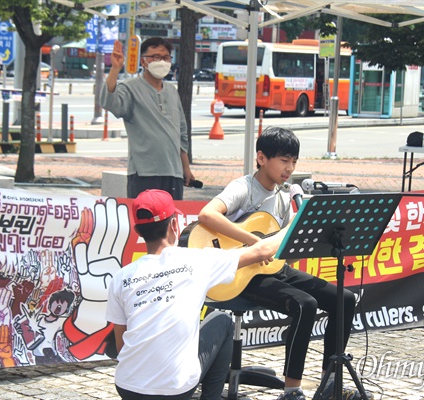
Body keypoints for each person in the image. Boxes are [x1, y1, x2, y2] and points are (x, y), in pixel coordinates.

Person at [198, 127, 370, 400]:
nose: (289, 168)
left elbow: (281, 256)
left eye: (294, 162)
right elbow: (207, 215)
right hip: (239, 274)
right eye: (283, 160)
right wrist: (253, 243)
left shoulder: (284, 196)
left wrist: (307, 241)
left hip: (271, 269)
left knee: (344, 299)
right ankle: (292, 390)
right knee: (305, 304)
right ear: (262, 158)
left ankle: (329, 383)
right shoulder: (243, 187)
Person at [105, 189, 290, 399]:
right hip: (176, 390)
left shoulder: (121, 278)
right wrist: (293, 225)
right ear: (175, 225)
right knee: (223, 321)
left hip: (128, 387)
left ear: (138, 231)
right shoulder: (196, 261)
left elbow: (121, 346)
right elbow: (261, 252)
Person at [101, 37, 195, 200]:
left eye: (166, 57)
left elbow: (182, 134)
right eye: (156, 57)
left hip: (173, 172)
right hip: (144, 172)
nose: (162, 62)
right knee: (144, 223)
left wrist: (185, 168)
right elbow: (109, 102)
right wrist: (115, 69)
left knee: (171, 222)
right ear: (143, 62)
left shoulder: (172, 91)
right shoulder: (130, 88)